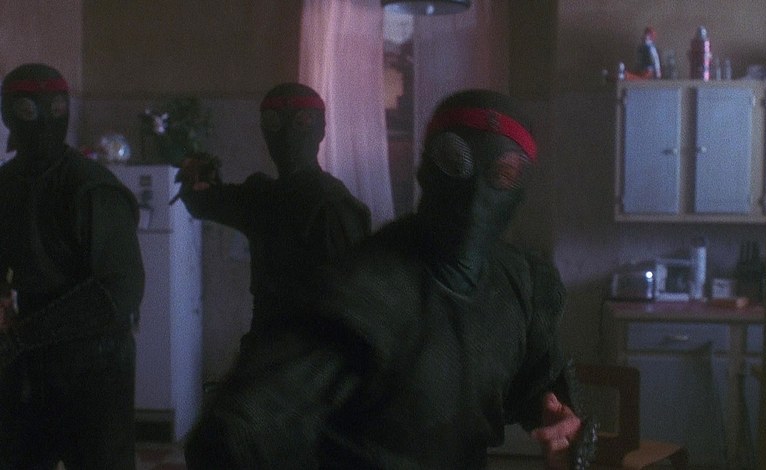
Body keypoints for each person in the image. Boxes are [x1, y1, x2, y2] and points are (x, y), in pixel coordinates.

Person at [184, 89, 597, 469]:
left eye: (503, 174)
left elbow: (539, 380)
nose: (475, 196)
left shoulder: (519, 281)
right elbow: (237, 432)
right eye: (455, 162)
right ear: (426, 169)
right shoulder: (366, 293)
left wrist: (558, 418)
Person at [0, 63, 145, 469]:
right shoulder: (6, 184)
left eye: (56, 107)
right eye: (29, 110)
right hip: (28, 364)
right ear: (9, 114)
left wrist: (24, 335)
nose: (45, 122)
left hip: (96, 362)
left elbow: (120, 289)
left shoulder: (91, 187)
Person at [175, 82, 371, 355]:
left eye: (300, 122)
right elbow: (204, 201)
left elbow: (353, 304)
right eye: (274, 122)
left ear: (320, 130)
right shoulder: (263, 197)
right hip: (272, 347)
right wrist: (197, 176)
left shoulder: (331, 206)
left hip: (312, 355)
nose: (288, 135)